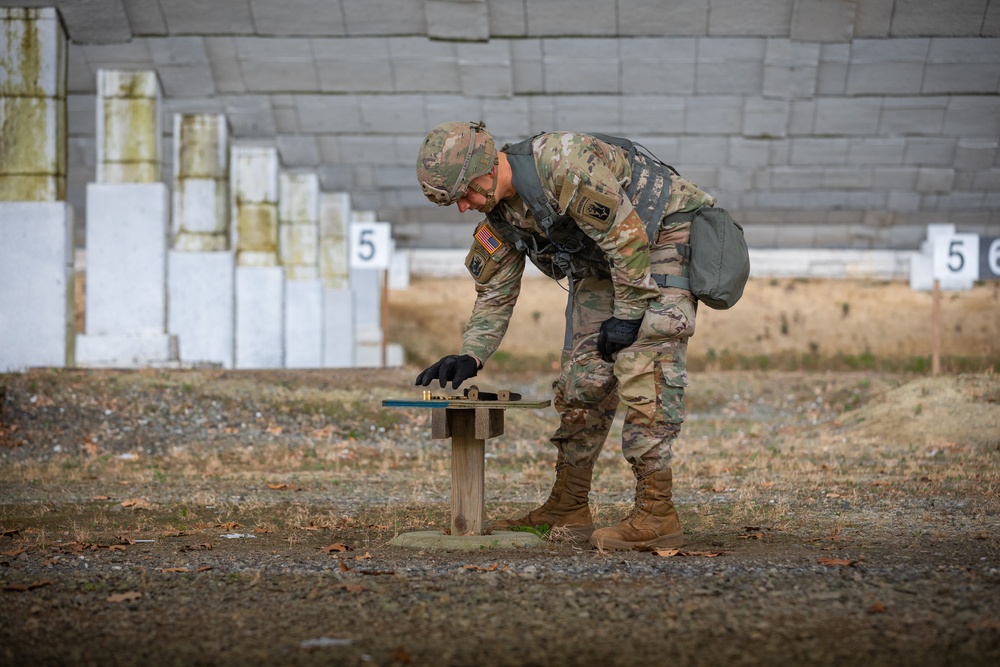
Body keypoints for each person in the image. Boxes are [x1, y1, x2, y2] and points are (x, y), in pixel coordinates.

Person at [414, 121, 717, 551]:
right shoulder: (498, 214)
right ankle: (569, 505)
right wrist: (471, 356)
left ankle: (657, 513)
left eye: (463, 194)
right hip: (605, 259)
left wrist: (630, 316)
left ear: (484, 167)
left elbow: (626, 238)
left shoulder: (563, 164)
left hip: (660, 236)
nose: (463, 207)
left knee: (644, 366)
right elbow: (495, 291)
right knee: (582, 380)